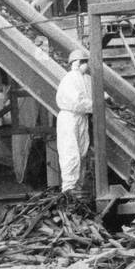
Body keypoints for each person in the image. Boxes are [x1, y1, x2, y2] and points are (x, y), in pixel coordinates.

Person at [55, 52, 94, 193]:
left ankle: (78, 187)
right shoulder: (69, 79)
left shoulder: (86, 78)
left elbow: (95, 91)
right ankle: (69, 188)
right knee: (70, 153)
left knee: (82, 152)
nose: (86, 65)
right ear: (76, 63)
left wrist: (107, 99)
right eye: (83, 62)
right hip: (69, 118)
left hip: (82, 117)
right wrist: (96, 106)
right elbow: (76, 101)